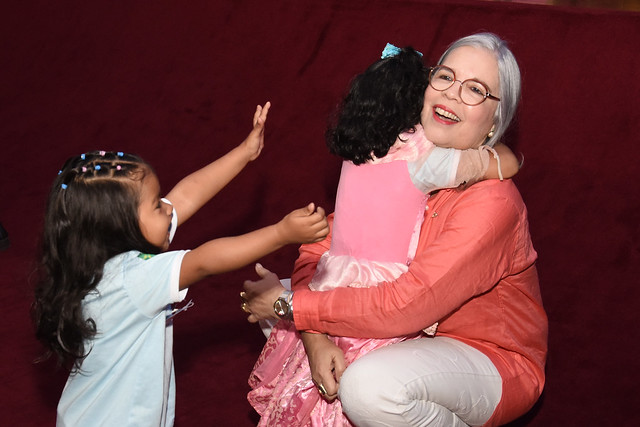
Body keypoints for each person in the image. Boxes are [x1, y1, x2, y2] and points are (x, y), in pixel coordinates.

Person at [243, 33, 547, 427]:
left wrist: (291, 308)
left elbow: (407, 306)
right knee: (287, 301)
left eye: (475, 89)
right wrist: (315, 338)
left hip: (484, 354)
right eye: (445, 77)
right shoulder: (391, 153)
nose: (453, 94)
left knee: (368, 387)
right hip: (415, 328)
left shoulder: (492, 203)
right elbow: (321, 247)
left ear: (494, 121)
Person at [32, 102, 330, 426]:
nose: (167, 207)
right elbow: (203, 261)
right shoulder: (133, 277)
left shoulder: (101, 262)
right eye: (156, 205)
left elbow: (185, 196)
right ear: (120, 229)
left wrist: (244, 152)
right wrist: (280, 233)